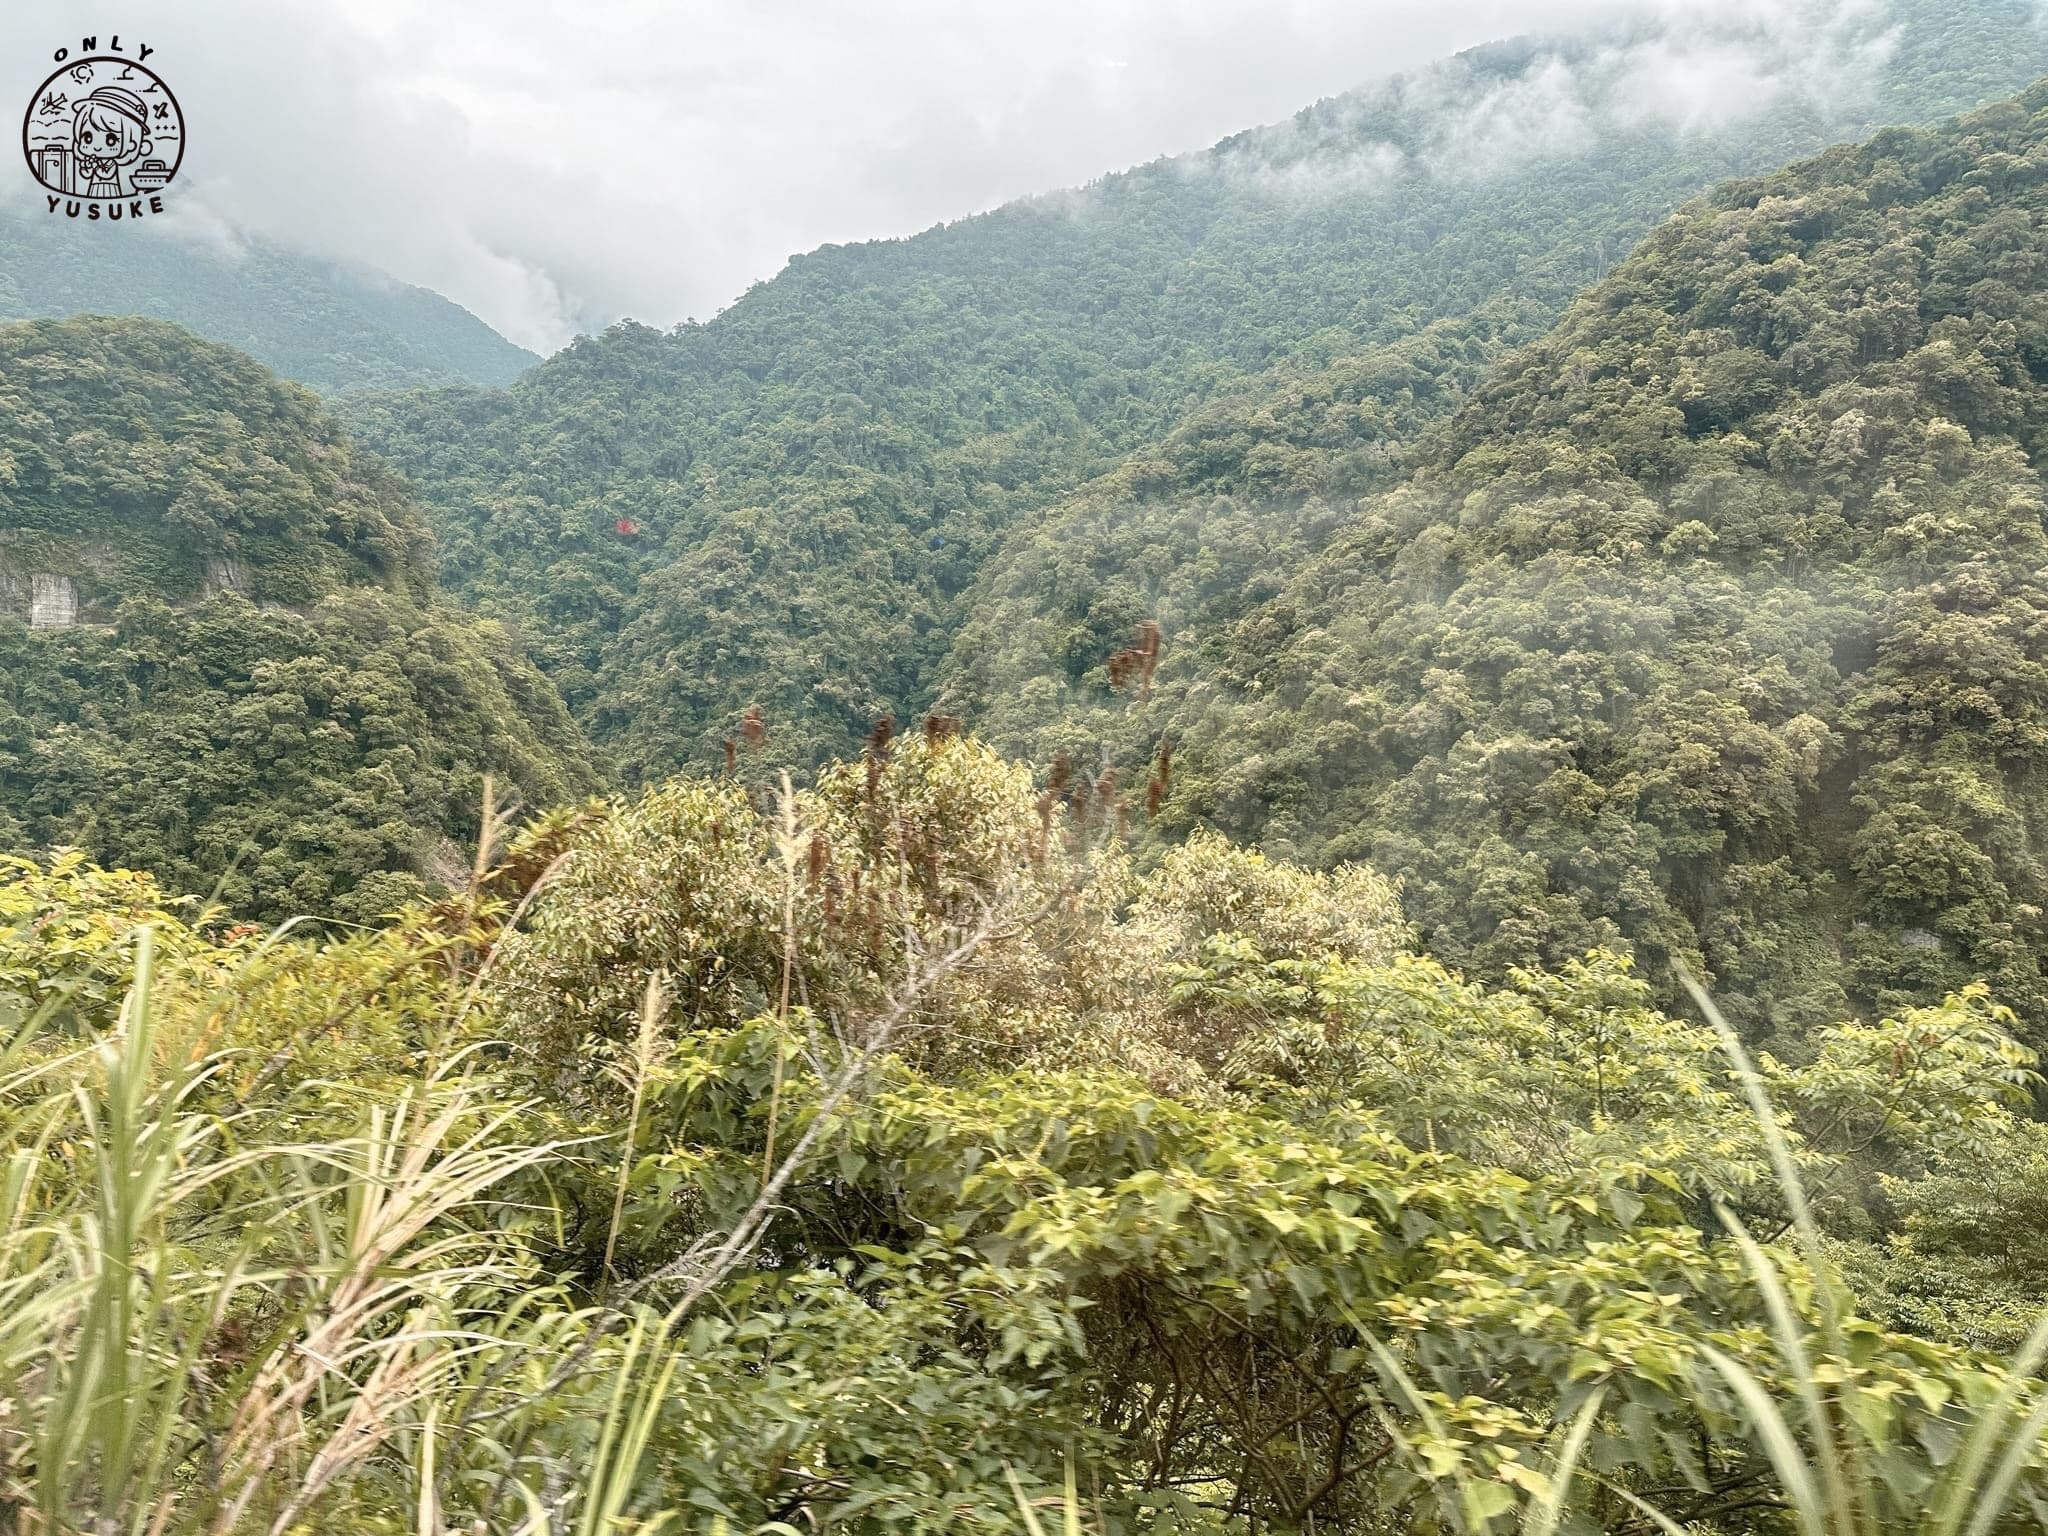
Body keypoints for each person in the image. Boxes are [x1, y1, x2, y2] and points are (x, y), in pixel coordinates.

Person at [71, 86, 152, 199]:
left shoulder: (111, 163)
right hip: (94, 188)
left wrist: (95, 166)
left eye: (111, 140)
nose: (97, 147)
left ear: (130, 144)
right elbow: (86, 175)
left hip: (109, 188)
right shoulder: (95, 160)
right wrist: (86, 168)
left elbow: (106, 174)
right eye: (88, 138)